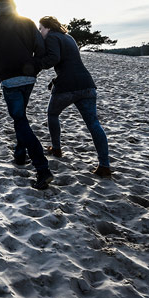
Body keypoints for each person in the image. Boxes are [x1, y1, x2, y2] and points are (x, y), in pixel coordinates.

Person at [0, 0, 53, 189]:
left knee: (20, 120)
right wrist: (34, 66)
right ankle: (20, 155)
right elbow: (41, 48)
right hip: (29, 78)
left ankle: (42, 169)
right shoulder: (27, 22)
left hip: (9, 79)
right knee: (21, 118)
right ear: (13, 5)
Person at [37, 16, 112, 178]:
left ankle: (56, 149)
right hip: (87, 84)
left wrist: (36, 63)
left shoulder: (51, 37)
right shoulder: (69, 37)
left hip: (67, 86)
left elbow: (53, 59)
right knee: (94, 123)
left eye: (41, 28)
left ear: (48, 28)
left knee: (52, 114)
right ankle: (104, 165)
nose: (40, 32)